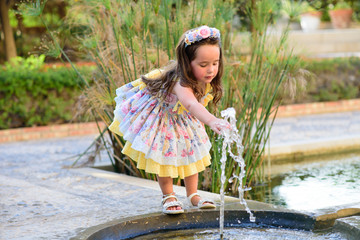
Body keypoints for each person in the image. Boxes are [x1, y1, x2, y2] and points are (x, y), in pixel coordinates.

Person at [109, 25, 230, 214]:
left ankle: (193, 195)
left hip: (183, 119)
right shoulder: (180, 81)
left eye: (215, 63)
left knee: (192, 151)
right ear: (187, 62)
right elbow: (191, 104)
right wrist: (212, 121)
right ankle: (168, 195)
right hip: (163, 119)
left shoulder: (204, 81)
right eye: (203, 65)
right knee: (165, 155)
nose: (211, 70)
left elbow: (192, 108)